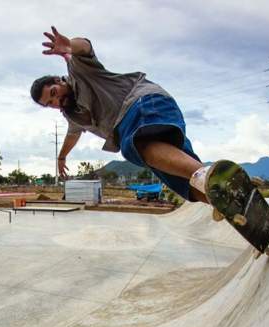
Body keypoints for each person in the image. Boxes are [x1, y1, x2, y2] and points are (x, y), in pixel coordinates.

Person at [31, 27, 220, 216]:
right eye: (50, 104)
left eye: (54, 93)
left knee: (132, 146)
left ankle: (211, 179)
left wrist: (69, 46)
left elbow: (85, 47)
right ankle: (227, 201)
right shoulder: (72, 114)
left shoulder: (79, 71)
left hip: (143, 103)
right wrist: (62, 156)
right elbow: (73, 133)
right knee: (184, 182)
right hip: (142, 121)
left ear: (59, 80)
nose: (57, 102)